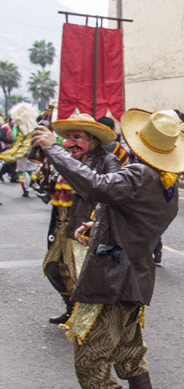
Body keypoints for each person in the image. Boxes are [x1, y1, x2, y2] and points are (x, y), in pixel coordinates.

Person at [30, 108, 184, 389]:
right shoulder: (166, 182)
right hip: (133, 274)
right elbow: (129, 217)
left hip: (113, 280)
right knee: (128, 349)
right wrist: (96, 225)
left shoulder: (140, 174)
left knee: (89, 362)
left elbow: (96, 187)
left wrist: (53, 149)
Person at [42, 114, 119, 325]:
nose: (70, 143)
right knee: (52, 267)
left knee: (80, 275)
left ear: (93, 140)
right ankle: (71, 307)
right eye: (69, 138)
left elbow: (109, 192)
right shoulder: (65, 160)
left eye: (78, 137)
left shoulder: (107, 160)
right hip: (62, 226)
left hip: (85, 226)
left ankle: (88, 319)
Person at [0, 102, 38, 197]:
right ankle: (37, 185)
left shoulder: (18, 127)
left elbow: (15, 139)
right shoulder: (34, 126)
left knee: (21, 171)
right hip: (32, 150)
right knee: (30, 170)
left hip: (22, 152)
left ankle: (25, 189)